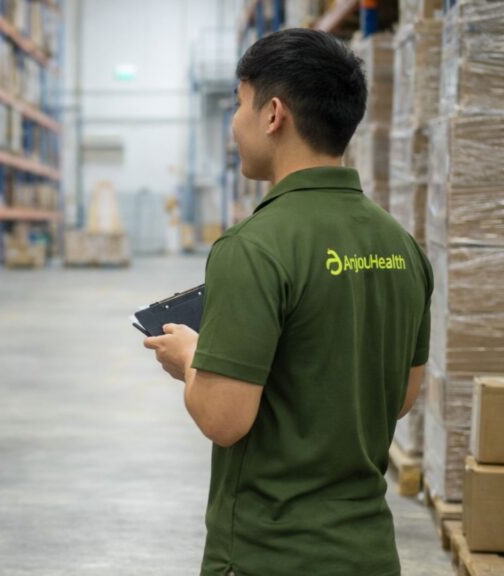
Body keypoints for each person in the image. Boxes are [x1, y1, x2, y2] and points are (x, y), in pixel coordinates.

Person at [142, 29, 431, 576]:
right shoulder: (400, 247)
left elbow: (225, 419)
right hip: (369, 552)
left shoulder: (251, 248)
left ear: (273, 114)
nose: (234, 122)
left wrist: (190, 358)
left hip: (270, 554)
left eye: (238, 104)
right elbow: (399, 396)